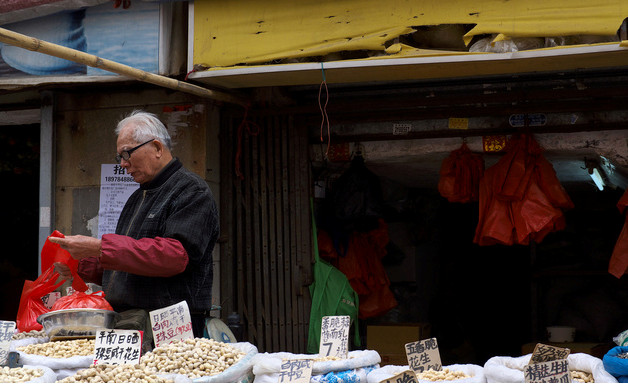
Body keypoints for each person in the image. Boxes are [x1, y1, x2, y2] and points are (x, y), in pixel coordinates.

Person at [51, 110, 219, 338]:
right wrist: (80, 264)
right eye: (119, 156)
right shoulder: (137, 197)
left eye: (127, 154)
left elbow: (174, 256)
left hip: (169, 325)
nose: (123, 164)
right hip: (128, 321)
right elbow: (128, 264)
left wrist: (100, 247)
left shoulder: (191, 191)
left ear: (158, 148)